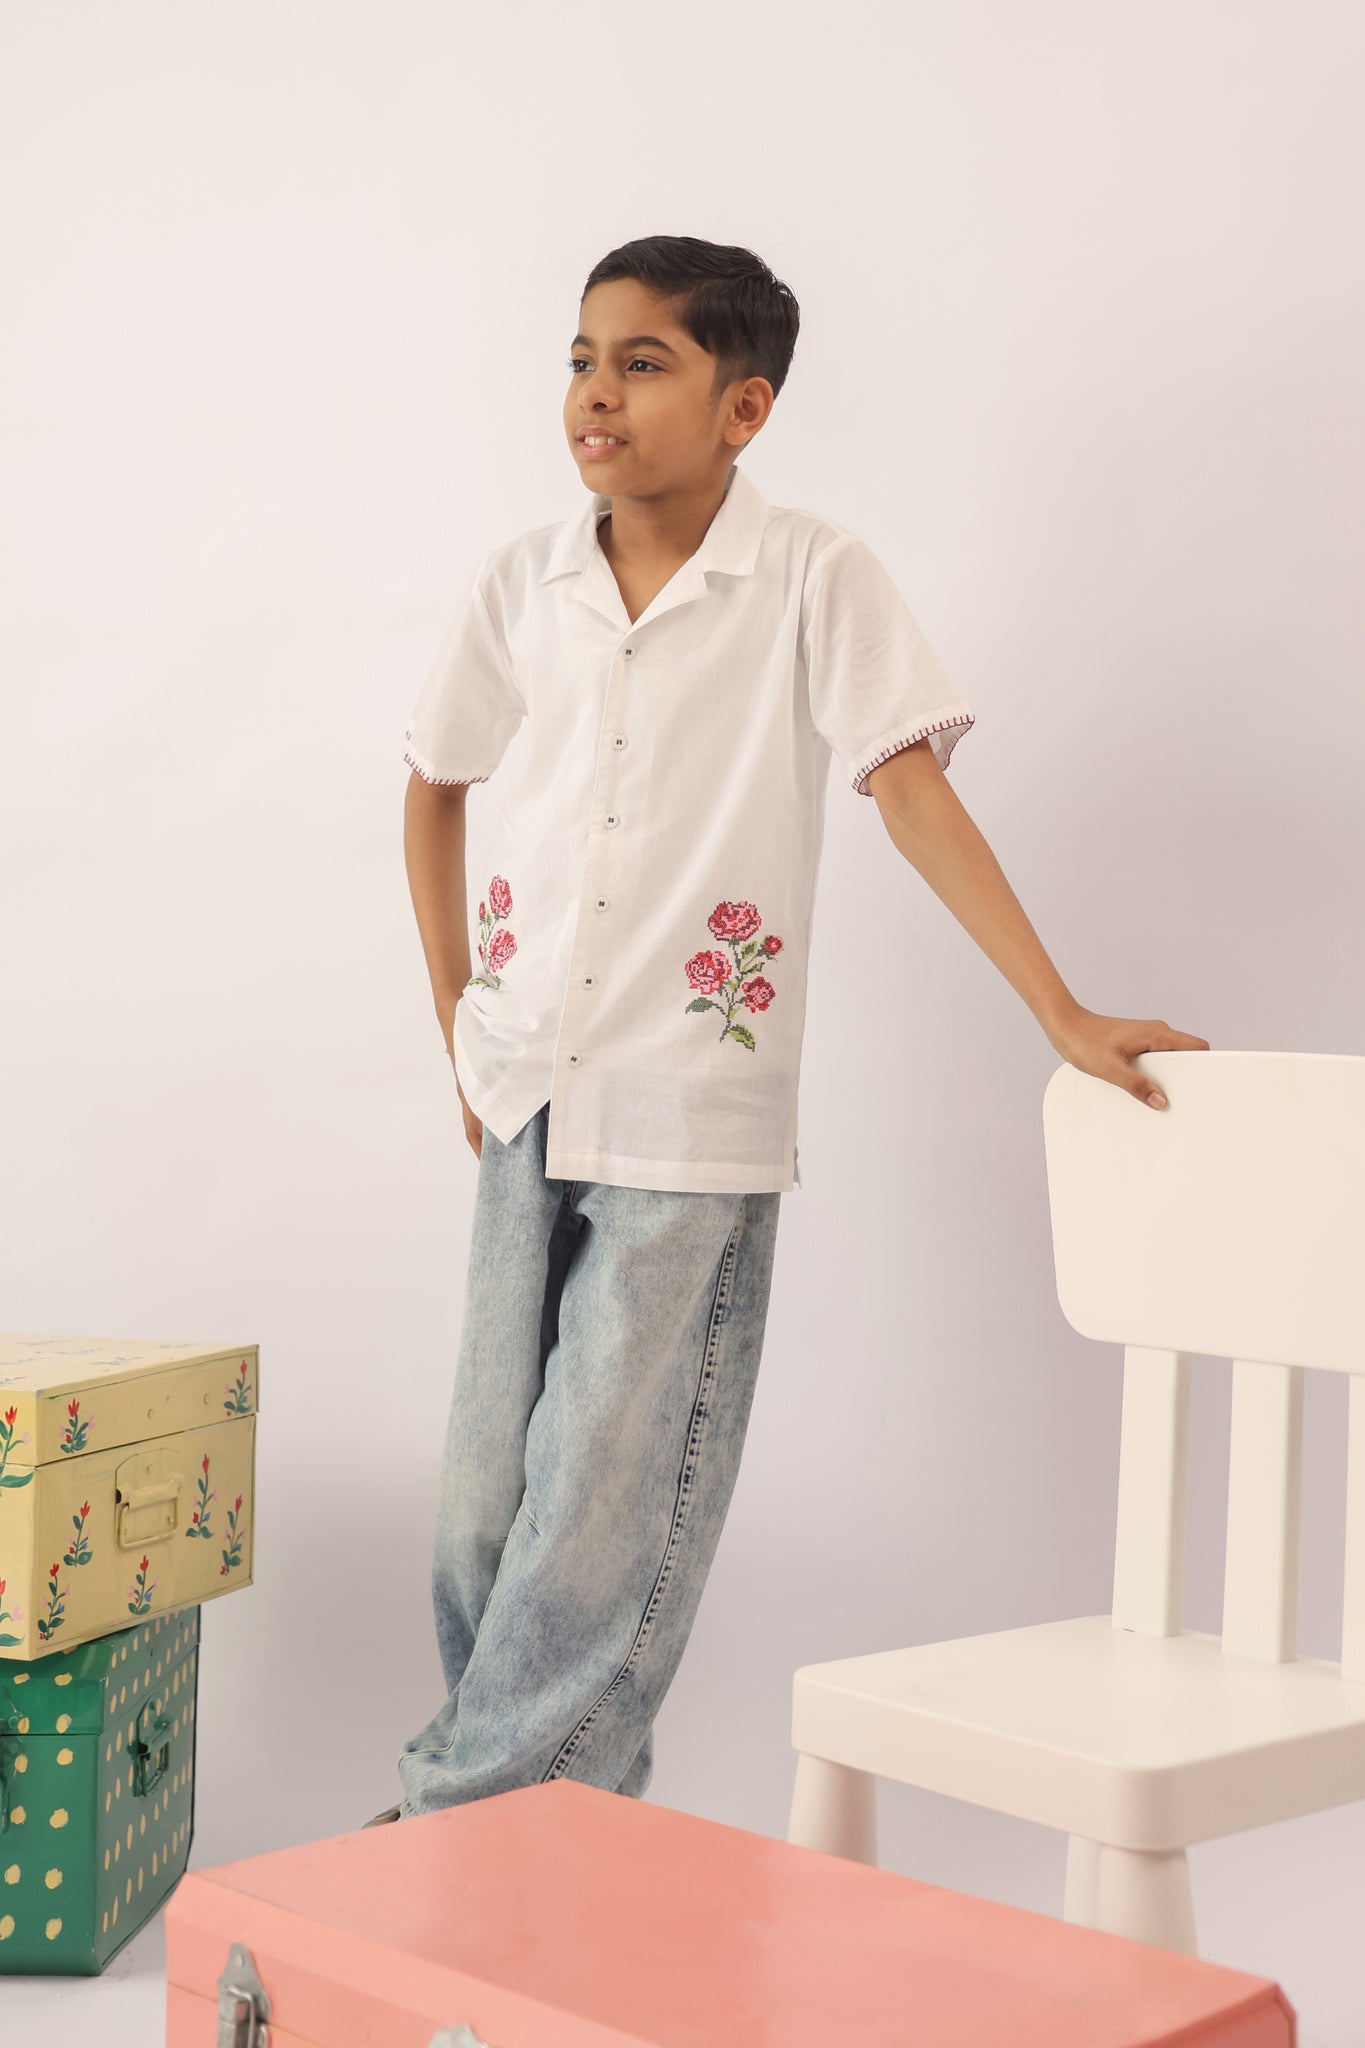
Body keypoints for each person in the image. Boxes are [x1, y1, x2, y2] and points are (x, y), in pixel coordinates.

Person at [367, 235, 1209, 1826]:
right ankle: (542, 1837)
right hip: (525, 1084)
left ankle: (453, 1826)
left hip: (689, 1110)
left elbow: (908, 789)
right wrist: (452, 1008)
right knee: (487, 1503)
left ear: (742, 407)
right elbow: (434, 781)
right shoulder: (520, 583)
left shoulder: (814, 576)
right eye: (580, 358)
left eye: (642, 363)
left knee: (599, 1503)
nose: (595, 393)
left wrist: (1057, 1007)